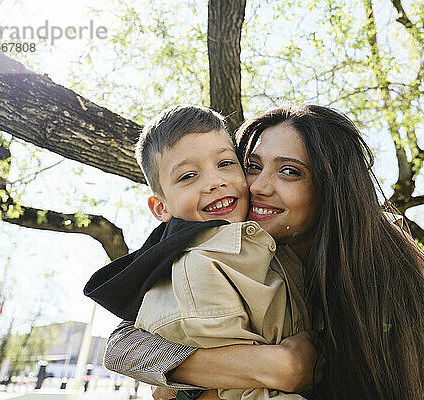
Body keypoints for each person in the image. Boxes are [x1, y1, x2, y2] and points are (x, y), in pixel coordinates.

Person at [104, 105, 424, 399]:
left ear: (331, 187)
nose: (258, 186)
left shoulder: (379, 286)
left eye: (290, 171)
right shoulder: (216, 252)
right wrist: (273, 367)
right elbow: (123, 344)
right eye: (251, 165)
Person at [84, 104, 311, 400]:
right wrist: (283, 367)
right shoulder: (201, 267)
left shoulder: (252, 247)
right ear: (161, 207)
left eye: (226, 164)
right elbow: (242, 390)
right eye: (189, 176)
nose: (215, 181)